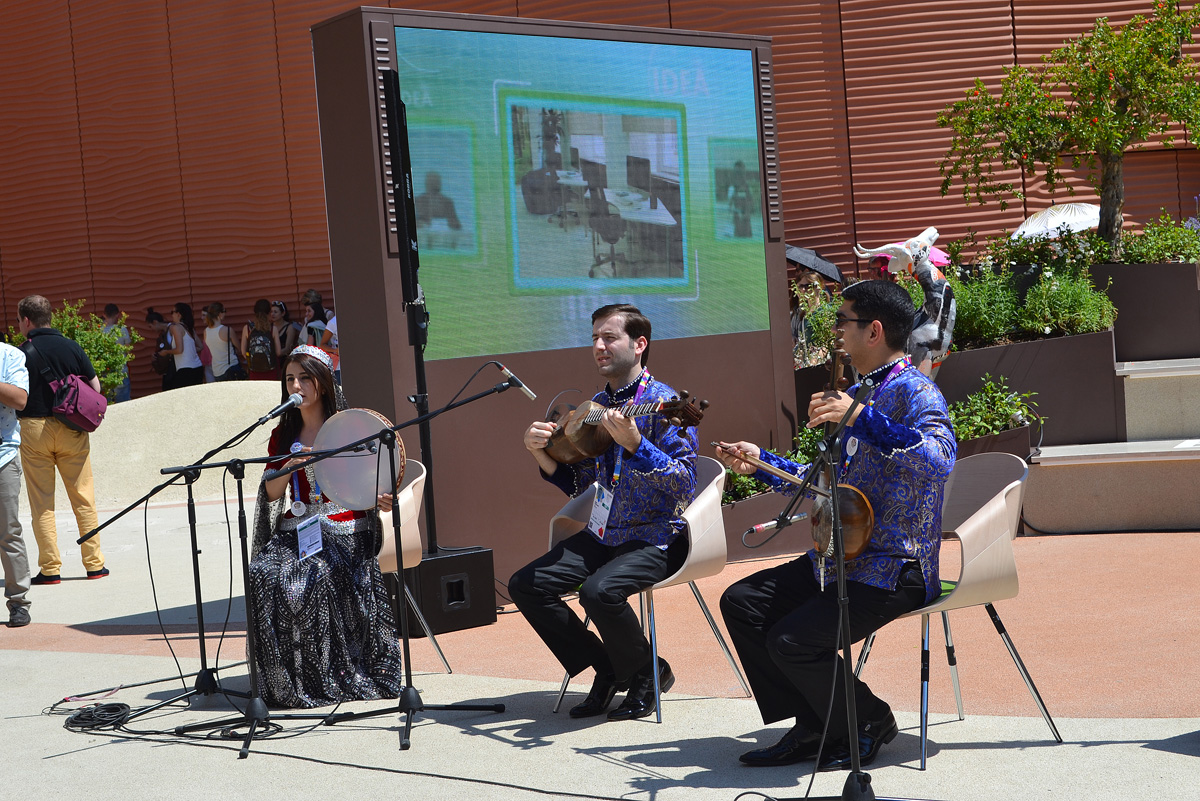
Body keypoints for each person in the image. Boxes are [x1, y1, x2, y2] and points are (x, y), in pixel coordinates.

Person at [715, 280, 955, 772]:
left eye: (843, 321)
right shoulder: (862, 391)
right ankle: (814, 723)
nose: (836, 331)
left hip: (894, 568)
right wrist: (761, 464)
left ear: (874, 330)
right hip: (841, 557)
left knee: (792, 639)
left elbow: (940, 459)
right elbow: (825, 484)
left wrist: (863, 418)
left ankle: (869, 719)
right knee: (742, 603)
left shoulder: (915, 391)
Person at [508, 304, 697, 722]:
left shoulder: (666, 404)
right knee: (525, 585)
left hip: (656, 536)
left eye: (609, 337)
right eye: (595, 337)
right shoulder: (595, 405)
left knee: (598, 591)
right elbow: (582, 484)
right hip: (604, 532)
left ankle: (649, 674)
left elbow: (685, 484)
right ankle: (608, 666)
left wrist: (637, 446)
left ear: (639, 344)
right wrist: (540, 453)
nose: (598, 346)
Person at [248, 345, 402, 707]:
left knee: (311, 575)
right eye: (289, 379)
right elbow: (270, 493)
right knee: (263, 573)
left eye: (304, 378)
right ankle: (286, 678)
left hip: (345, 525)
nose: (296, 386)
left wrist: (381, 499)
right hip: (297, 525)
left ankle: (329, 673)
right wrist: (288, 465)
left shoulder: (351, 427)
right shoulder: (282, 434)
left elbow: (375, 481)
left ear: (323, 382)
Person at [15, 295, 108, 584]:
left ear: (27, 321)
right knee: (83, 497)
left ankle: (51, 569)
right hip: (72, 429)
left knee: (42, 503)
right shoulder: (71, 346)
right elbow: (96, 386)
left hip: (34, 429)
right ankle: (94, 565)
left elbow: (17, 397)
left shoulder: (22, 353)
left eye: (19, 320)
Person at [0, 341, 31, 626]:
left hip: (3, 457)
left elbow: (20, 399)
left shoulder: (10, 355)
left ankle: (19, 601)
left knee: (8, 531)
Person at [162, 302, 204, 388]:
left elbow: (179, 350)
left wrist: (166, 352)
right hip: (198, 367)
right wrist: (189, 350)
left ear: (179, 314)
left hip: (185, 369)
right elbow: (200, 346)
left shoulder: (176, 327)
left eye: (172, 312)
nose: (172, 315)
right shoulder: (189, 328)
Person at [204, 302, 242, 381]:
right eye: (224, 311)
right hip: (230, 367)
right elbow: (239, 348)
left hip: (216, 370)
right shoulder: (227, 330)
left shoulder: (205, 332)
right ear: (220, 314)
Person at [101, 304, 132, 402]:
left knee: (107, 404)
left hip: (104, 371)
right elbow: (128, 350)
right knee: (123, 404)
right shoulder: (122, 329)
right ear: (117, 315)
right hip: (120, 370)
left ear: (104, 315)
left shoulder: (99, 330)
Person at [242, 299, 278, 381]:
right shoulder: (272, 329)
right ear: (269, 312)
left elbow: (244, 352)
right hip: (271, 369)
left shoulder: (247, 328)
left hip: (254, 370)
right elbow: (278, 352)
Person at [146, 308, 176, 391]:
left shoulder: (172, 329)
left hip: (176, 370)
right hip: (168, 371)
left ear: (155, 322)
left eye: (150, 326)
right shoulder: (162, 335)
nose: (151, 329)